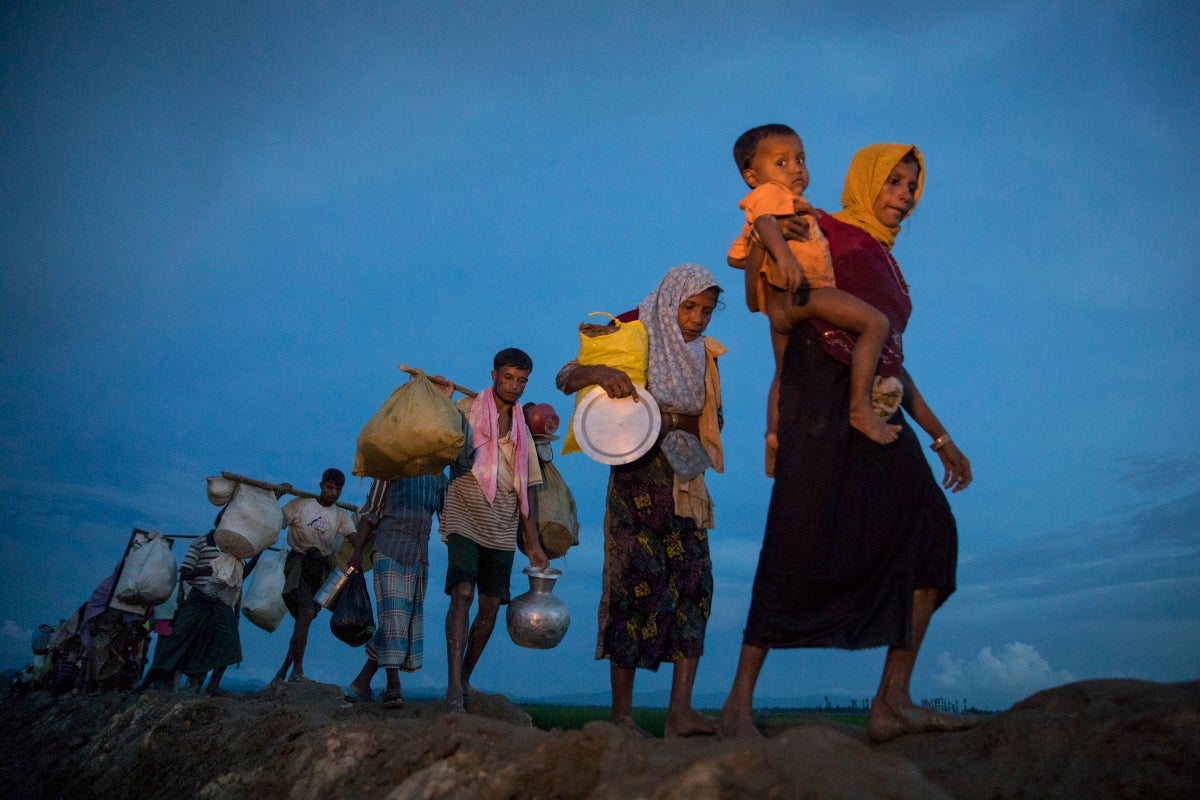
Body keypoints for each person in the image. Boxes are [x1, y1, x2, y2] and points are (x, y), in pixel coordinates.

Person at [720, 143, 977, 743]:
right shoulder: (826, 227)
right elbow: (769, 281)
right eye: (893, 182)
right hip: (819, 393)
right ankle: (736, 706)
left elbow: (890, 358)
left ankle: (892, 703)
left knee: (932, 533)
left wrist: (940, 436)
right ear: (866, 182)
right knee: (798, 536)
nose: (904, 195)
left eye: (912, 186)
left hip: (878, 401)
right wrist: (776, 417)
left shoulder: (887, 260)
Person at [557, 264, 725, 738]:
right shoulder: (635, 330)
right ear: (670, 300)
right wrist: (600, 371)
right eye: (690, 307)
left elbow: (711, 419)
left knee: (696, 585)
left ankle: (680, 713)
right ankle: (622, 717)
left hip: (686, 480)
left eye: (707, 310)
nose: (697, 318)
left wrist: (674, 422)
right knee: (634, 583)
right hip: (637, 482)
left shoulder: (704, 355)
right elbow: (565, 376)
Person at [729, 124, 898, 476]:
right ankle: (860, 408)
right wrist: (785, 258)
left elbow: (735, 256)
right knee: (875, 323)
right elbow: (765, 224)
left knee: (781, 372)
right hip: (803, 296)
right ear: (751, 176)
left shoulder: (790, 206)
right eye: (781, 162)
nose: (795, 168)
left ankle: (773, 436)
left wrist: (774, 246)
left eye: (800, 160)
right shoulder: (769, 196)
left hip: (779, 312)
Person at [441, 348, 548, 712]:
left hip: (502, 519)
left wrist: (533, 544)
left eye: (522, 380)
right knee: (462, 593)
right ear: (493, 376)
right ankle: (452, 687)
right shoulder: (466, 410)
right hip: (464, 509)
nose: (514, 386)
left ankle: (465, 678)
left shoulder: (522, 428)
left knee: (490, 604)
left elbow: (527, 488)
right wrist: (443, 404)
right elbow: (440, 442)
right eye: (508, 378)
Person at [345, 382, 459, 707]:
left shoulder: (439, 478)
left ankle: (362, 682)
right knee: (394, 619)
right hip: (389, 550)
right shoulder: (392, 468)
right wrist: (357, 553)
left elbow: (447, 519)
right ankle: (393, 686)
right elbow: (370, 512)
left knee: (402, 621)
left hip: (418, 557)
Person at [138, 529, 259, 696]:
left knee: (229, 642)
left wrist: (258, 553)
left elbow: (241, 575)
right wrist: (205, 571)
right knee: (175, 642)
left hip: (221, 603)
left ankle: (213, 686)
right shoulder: (201, 543)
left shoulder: (233, 551)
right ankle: (145, 685)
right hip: (198, 600)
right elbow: (185, 573)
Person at [270, 468, 357, 685]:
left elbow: (354, 537)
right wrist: (276, 495)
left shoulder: (340, 515)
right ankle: (297, 670)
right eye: (330, 487)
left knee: (305, 619)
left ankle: (284, 672)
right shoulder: (301, 504)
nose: (334, 493)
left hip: (321, 569)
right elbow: (275, 520)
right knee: (306, 613)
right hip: (299, 564)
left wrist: (365, 539)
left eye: (338, 489)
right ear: (321, 485)